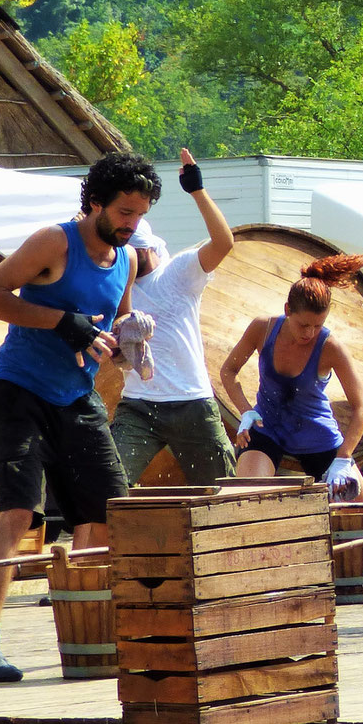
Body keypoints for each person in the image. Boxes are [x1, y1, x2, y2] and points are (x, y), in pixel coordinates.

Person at [0, 151, 161, 682]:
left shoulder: (127, 259)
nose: (131, 224)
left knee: (106, 511)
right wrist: (62, 322)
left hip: (77, 397)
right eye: (124, 212)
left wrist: (130, 340)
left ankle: (91, 633)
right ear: (95, 202)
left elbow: (111, 332)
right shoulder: (54, 242)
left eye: (140, 215)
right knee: (20, 514)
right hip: (19, 392)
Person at [111, 151, 239, 490]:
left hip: (192, 404)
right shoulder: (112, 281)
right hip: (138, 406)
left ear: (149, 249)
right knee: (109, 486)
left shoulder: (180, 272)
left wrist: (197, 190)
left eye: (134, 255)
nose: (128, 262)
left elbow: (224, 243)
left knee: (223, 496)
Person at [217, 254, 363, 499]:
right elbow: (228, 371)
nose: (310, 333)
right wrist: (246, 411)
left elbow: (362, 407)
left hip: (317, 436)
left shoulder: (331, 347)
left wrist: (343, 458)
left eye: (318, 326)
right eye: (303, 325)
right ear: (287, 310)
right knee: (247, 499)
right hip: (267, 428)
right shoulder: (262, 328)